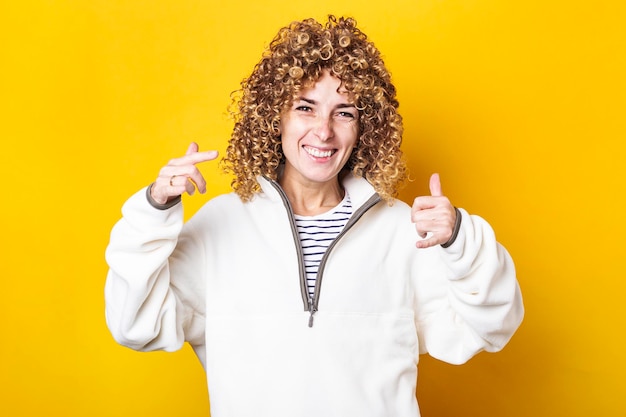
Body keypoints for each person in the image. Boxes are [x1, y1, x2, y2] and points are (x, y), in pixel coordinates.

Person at [105, 15, 523, 417]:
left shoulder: (402, 231)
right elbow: (135, 324)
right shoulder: (222, 224)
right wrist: (155, 210)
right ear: (275, 117)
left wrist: (459, 239)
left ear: (364, 128)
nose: (324, 131)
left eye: (344, 112)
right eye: (306, 107)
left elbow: (493, 324)